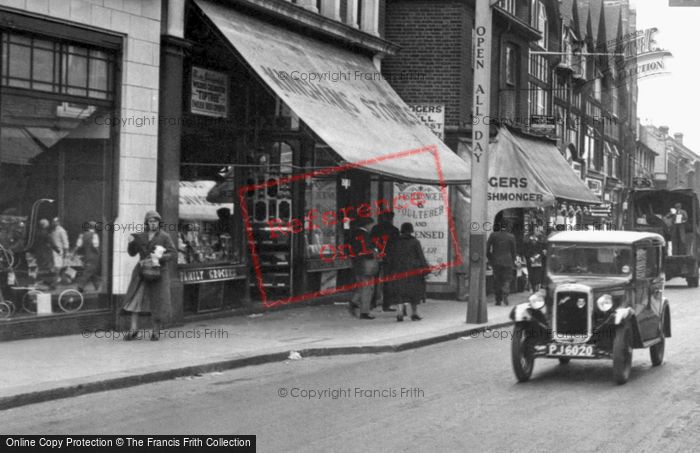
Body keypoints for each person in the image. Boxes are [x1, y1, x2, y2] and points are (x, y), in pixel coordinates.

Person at [122, 211, 176, 341]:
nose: (153, 224)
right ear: (147, 223)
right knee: (135, 299)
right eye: (150, 221)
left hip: (159, 273)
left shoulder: (164, 236)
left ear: (159, 223)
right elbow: (132, 253)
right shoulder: (140, 236)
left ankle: (156, 331)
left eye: (155, 221)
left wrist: (159, 257)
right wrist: (131, 243)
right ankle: (134, 330)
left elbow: (173, 254)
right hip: (142, 272)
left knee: (157, 301)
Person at [386, 222, 429, 322]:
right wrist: (425, 269)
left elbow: (390, 257)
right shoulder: (415, 242)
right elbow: (420, 256)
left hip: (398, 270)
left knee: (399, 292)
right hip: (412, 271)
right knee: (414, 292)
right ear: (411, 231)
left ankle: (400, 313)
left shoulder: (395, 242)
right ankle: (414, 313)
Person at [348, 217, 379, 320]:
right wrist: (375, 252)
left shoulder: (354, 234)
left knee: (362, 286)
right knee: (367, 288)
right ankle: (364, 311)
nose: (372, 227)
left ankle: (354, 302)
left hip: (357, 263)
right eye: (371, 225)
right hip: (366, 264)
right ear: (367, 225)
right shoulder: (364, 235)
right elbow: (366, 251)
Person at [370, 211, 399, 312]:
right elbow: (396, 246)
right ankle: (386, 304)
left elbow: (371, 243)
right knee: (388, 281)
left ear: (382, 218)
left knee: (373, 280)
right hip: (389, 258)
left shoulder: (375, 228)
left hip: (376, 256)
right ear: (391, 218)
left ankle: (372, 303)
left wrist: (377, 252)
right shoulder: (394, 230)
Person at [486, 222, 516, 305]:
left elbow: (487, 248)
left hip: (496, 260)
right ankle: (505, 292)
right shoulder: (511, 236)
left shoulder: (493, 235)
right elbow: (513, 251)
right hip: (508, 261)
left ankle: (498, 300)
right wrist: (513, 260)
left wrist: (490, 258)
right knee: (507, 279)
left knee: (497, 279)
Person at [75, 220, 102, 292]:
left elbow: (78, 246)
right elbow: (95, 246)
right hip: (94, 256)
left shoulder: (82, 235)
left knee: (92, 271)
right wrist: (99, 254)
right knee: (89, 271)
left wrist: (74, 253)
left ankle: (97, 286)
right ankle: (80, 286)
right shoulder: (95, 235)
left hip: (86, 255)